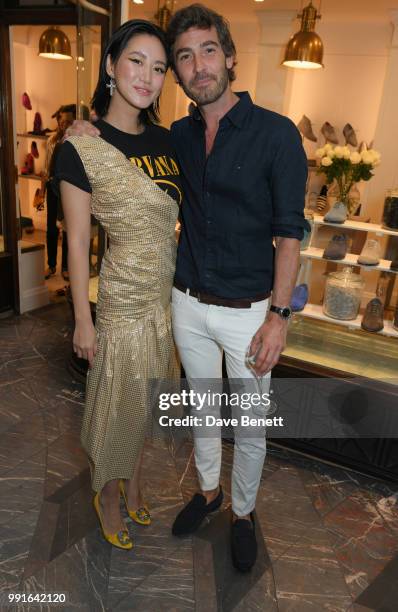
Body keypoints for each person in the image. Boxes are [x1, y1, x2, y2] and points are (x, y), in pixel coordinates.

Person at [66, 3, 307, 571]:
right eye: (184, 57)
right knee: (200, 412)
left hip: (250, 312)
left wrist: (279, 315)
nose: (197, 66)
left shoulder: (276, 135)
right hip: (184, 304)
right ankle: (207, 494)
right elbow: (116, 161)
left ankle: (243, 514)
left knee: (248, 427)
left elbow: (290, 233)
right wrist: (84, 128)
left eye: (207, 51)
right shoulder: (176, 135)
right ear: (178, 73)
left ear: (230, 57)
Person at [54, 19, 181, 550]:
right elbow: (80, 243)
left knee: (149, 400)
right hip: (123, 300)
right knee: (113, 402)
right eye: (135, 61)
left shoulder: (170, 141)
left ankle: (133, 480)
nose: (147, 77)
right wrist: (83, 320)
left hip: (166, 298)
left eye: (158, 68)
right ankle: (106, 492)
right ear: (110, 65)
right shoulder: (80, 146)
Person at [43, 106, 75, 280]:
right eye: (62, 122)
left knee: (67, 228)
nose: (64, 125)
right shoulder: (52, 141)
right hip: (52, 186)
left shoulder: (76, 141)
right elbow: (46, 168)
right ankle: (51, 265)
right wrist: (42, 192)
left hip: (68, 189)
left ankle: (65, 267)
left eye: (68, 122)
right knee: (51, 228)